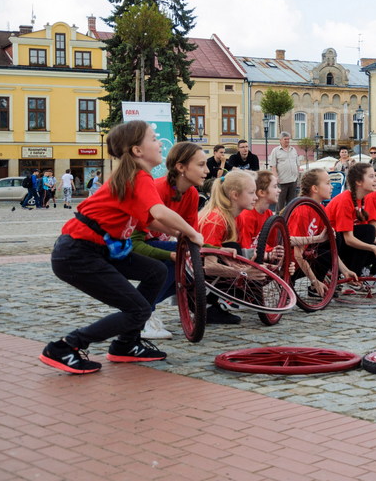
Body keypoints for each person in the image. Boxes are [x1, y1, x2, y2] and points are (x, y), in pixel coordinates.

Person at [39, 120, 204, 375]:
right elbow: (159, 210)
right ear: (137, 150)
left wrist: (181, 234)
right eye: (153, 138)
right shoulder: (137, 176)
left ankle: (126, 344)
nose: (159, 142)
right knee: (137, 310)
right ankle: (66, 346)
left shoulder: (136, 176)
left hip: (97, 250)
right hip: (77, 253)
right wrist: (192, 233)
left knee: (156, 271)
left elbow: (151, 220)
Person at [129, 141, 208, 338]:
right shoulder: (157, 188)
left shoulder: (191, 193)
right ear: (181, 167)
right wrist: (171, 253)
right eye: (200, 165)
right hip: (128, 246)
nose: (206, 170)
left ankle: (142, 308)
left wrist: (219, 250)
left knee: (188, 268)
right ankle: (144, 313)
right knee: (177, 261)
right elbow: (135, 241)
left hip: (152, 244)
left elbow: (191, 236)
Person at [197, 170, 260, 324]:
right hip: (194, 280)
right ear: (235, 195)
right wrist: (244, 272)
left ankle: (218, 303)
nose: (256, 197)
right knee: (233, 248)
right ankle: (208, 306)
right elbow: (208, 267)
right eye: (251, 193)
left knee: (234, 249)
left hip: (207, 274)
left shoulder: (235, 217)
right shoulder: (216, 220)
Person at [287, 168, 358, 297]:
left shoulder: (319, 208)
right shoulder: (302, 210)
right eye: (327, 183)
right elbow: (297, 252)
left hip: (304, 258)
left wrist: (345, 270)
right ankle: (307, 285)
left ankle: (319, 284)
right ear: (315, 188)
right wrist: (315, 281)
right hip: (289, 263)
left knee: (334, 237)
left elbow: (331, 247)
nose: (331, 187)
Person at [269, 131, 300, 210]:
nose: (287, 141)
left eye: (288, 139)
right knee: (280, 204)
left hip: (293, 181)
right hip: (282, 182)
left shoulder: (293, 150)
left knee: (292, 204)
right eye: (285, 139)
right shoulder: (275, 151)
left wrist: (297, 175)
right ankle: (278, 219)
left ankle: (290, 219)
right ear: (280, 140)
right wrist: (276, 178)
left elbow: (297, 164)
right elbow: (273, 166)